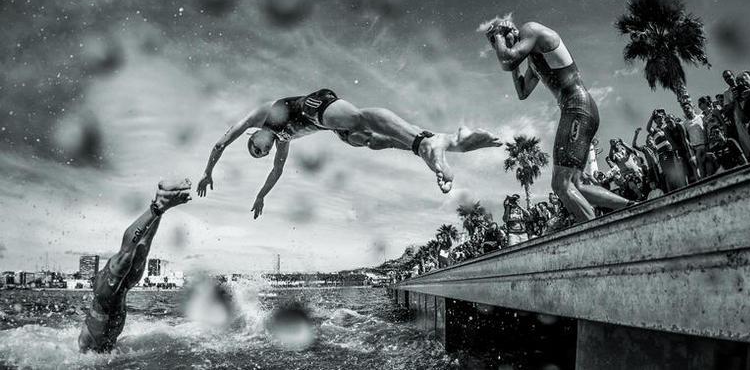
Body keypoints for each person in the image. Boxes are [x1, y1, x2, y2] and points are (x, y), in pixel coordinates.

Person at [196, 89, 501, 218]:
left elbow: (220, 143)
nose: (262, 150)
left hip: (316, 105)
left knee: (358, 118)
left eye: (256, 147)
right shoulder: (282, 140)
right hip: (328, 126)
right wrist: (262, 195)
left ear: (252, 134)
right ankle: (446, 140)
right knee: (370, 141)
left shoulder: (259, 117)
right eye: (261, 153)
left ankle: (423, 143)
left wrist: (208, 171)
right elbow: (276, 171)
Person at [483, 16, 631, 222]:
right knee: (577, 185)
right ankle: (632, 206)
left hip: (577, 106)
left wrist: (497, 34)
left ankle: (596, 231)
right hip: (578, 109)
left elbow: (507, 60)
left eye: (499, 39)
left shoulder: (531, 29)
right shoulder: (533, 64)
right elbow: (522, 92)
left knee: (561, 185)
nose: (499, 45)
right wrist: (509, 52)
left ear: (511, 31)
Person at [79, 179, 192, 353]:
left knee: (126, 256)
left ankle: (157, 207)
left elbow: (125, 251)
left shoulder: (88, 352)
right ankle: (161, 204)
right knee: (142, 251)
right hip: (117, 297)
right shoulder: (105, 350)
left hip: (104, 296)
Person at [646, 109, 687, 192]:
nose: (660, 118)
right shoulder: (654, 130)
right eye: (657, 117)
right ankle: (671, 193)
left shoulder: (667, 127)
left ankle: (683, 189)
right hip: (663, 155)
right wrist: (652, 116)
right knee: (668, 175)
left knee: (678, 171)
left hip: (672, 152)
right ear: (655, 120)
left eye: (661, 117)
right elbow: (648, 128)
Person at [722, 70, 750, 161]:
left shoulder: (743, 83)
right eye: (725, 78)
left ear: (733, 75)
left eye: (729, 76)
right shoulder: (726, 93)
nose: (728, 79)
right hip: (739, 120)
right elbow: (726, 109)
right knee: (747, 143)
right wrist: (734, 99)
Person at [682, 103, 707, 180]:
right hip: (696, 148)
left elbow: (706, 130)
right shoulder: (685, 124)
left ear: (692, 108)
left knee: (709, 165)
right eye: (684, 109)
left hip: (705, 145)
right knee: (700, 168)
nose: (686, 110)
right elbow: (686, 138)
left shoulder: (701, 117)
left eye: (687, 108)